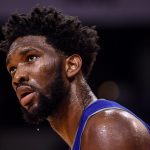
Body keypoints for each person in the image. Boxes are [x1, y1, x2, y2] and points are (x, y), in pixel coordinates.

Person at [0, 6, 150, 150]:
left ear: (71, 65)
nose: (17, 77)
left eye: (31, 58)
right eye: (12, 69)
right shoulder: (89, 132)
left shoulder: (105, 128)